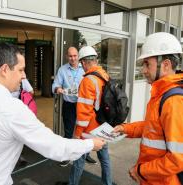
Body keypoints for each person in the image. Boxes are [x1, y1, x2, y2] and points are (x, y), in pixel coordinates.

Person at [0, 42, 106, 185]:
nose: (23, 77)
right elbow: (55, 146)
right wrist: (90, 144)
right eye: (21, 70)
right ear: (4, 70)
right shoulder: (12, 109)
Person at [113, 32, 183, 185]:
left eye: (147, 64)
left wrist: (140, 171)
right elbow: (153, 127)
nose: (143, 70)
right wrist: (125, 129)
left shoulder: (173, 101)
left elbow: (177, 159)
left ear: (165, 65)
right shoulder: (162, 94)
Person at [57, 46, 113, 185]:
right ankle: (108, 183)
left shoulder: (87, 80)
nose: (81, 65)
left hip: (90, 129)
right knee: (105, 158)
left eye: (81, 62)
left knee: (79, 159)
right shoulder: (104, 75)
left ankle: (72, 183)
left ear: (85, 62)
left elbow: (83, 114)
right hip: (103, 126)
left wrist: (77, 134)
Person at [52, 46, 97, 166]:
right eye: (70, 56)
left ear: (78, 56)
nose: (73, 58)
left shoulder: (86, 68)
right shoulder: (62, 70)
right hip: (69, 105)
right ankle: (67, 157)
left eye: (75, 56)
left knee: (85, 131)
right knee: (68, 132)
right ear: (67, 56)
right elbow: (55, 85)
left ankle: (86, 155)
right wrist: (59, 89)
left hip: (85, 105)